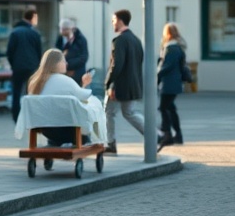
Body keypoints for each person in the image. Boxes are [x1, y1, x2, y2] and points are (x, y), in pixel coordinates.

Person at [24, 48, 104, 146]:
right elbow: (83, 98)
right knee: (95, 105)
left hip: (46, 130)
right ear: (56, 63)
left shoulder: (34, 82)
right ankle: (97, 141)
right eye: (63, 61)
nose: (66, 63)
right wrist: (85, 84)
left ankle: (54, 143)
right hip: (69, 131)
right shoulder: (66, 81)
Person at [103, 8, 146, 154]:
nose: (113, 23)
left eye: (114, 20)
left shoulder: (120, 40)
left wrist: (110, 84)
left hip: (119, 86)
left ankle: (110, 143)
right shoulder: (136, 40)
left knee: (108, 112)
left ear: (120, 21)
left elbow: (117, 64)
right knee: (129, 113)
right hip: (133, 85)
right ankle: (154, 136)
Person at [6, 6, 42, 122]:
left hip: (18, 67)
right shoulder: (35, 34)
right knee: (31, 93)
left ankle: (16, 117)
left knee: (16, 93)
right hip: (33, 68)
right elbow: (39, 52)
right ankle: (32, 117)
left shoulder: (15, 33)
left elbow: (9, 52)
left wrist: (13, 64)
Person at [156, 22, 187, 149]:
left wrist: (156, 75)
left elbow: (167, 66)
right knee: (171, 108)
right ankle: (177, 135)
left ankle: (167, 135)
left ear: (168, 34)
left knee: (163, 108)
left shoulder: (172, 48)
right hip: (174, 83)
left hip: (169, 83)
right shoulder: (177, 47)